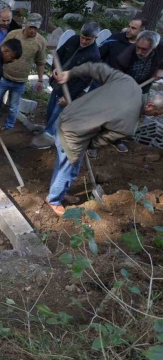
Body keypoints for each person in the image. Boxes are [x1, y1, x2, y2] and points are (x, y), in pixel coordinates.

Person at [46, 63, 163, 215]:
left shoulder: (128, 83)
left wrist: (70, 73)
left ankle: (60, 191)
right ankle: (54, 199)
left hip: (65, 116)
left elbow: (97, 68)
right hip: (72, 134)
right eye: (157, 113)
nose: (157, 116)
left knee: (63, 163)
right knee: (69, 170)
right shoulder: (130, 125)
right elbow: (98, 141)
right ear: (150, 105)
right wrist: (84, 145)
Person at [87, 17, 148, 155]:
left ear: (142, 32)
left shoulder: (144, 47)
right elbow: (97, 55)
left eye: (133, 28)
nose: (129, 29)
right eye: (129, 26)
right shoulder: (115, 39)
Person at [44, 22, 101, 138]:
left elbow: (84, 80)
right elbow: (59, 54)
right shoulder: (74, 39)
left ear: (95, 38)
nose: (84, 41)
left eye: (88, 39)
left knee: (57, 114)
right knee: (50, 110)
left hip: (69, 89)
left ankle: (49, 136)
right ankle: (47, 130)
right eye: (83, 37)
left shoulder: (94, 55)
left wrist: (69, 96)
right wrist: (54, 68)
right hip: (57, 83)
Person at [0, 13, 46, 130]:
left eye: (35, 28)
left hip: (20, 81)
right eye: (31, 27)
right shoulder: (14, 34)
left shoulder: (40, 42)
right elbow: (0, 50)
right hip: (4, 76)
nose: (32, 30)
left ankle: (9, 127)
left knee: (13, 106)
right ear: (25, 24)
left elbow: (40, 62)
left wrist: (41, 80)